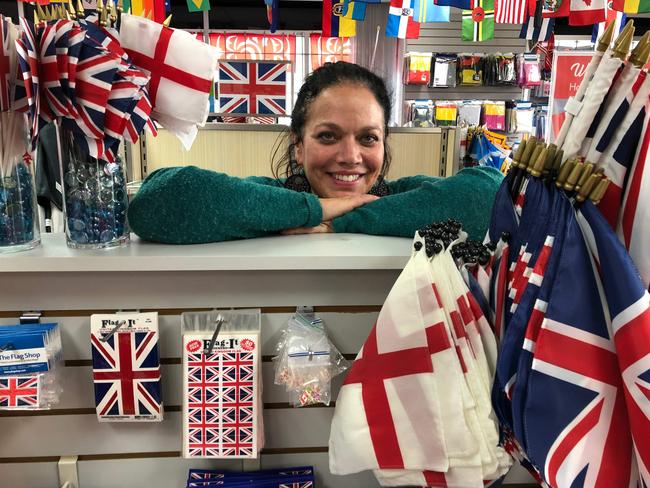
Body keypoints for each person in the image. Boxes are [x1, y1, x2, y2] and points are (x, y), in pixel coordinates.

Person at [127, 61, 503, 244]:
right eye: (328, 136)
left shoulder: (403, 195)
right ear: (298, 143)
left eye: (368, 138)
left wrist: (342, 220)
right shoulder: (275, 198)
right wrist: (316, 209)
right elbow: (156, 201)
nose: (350, 155)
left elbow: (491, 195)